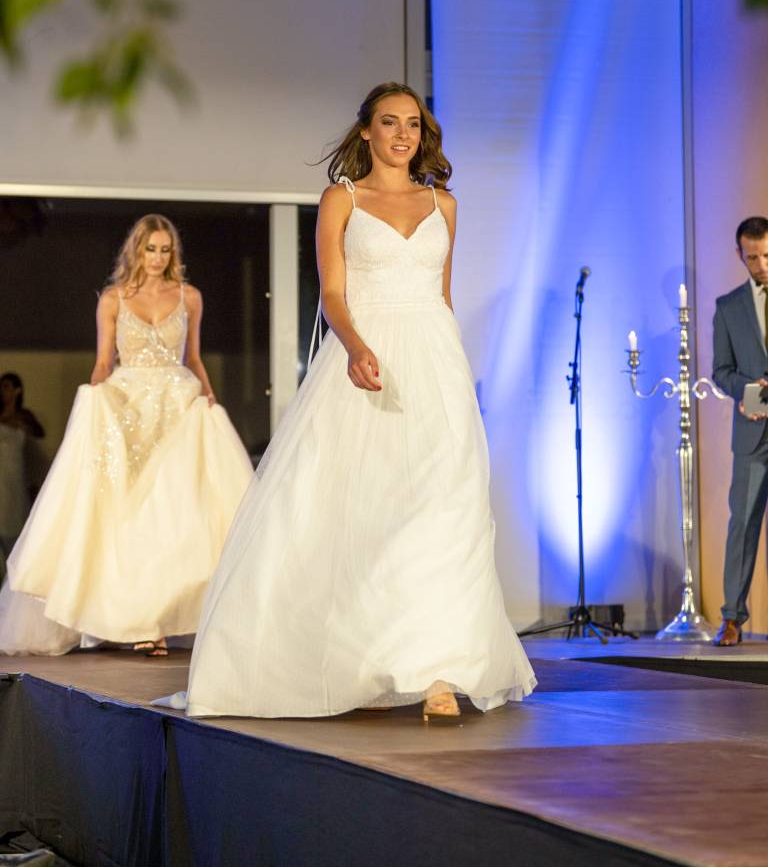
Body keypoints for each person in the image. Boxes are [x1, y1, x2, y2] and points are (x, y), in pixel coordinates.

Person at [164, 82, 536, 719]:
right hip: (365, 357)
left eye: (413, 124)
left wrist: (457, 374)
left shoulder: (444, 204)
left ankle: (439, 672)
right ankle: (360, 661)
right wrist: (358, 346)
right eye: (389, 122)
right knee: (358, 510)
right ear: (366, 130)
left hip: (435, 364)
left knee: (446, 509)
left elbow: (442, 297)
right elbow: (333, 294)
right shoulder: (343, 198)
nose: (402, 134)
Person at [0, 214, 252, 657]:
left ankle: (159, 621)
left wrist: (210, 398)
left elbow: (192, 358)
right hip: (126, 409)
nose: (158, 257)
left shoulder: (190, 297)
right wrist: (92, 401)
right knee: (124, 514)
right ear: (137, 250)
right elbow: (104, 361)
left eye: (165, 249)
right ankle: (135, 618)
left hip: (177, 409)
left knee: (173, 515)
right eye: (151, 248)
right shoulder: (113, 299)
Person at [712, 216, 768, 647]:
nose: (761, 264)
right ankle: (732, 617)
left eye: (766, 255)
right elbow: (721, 372)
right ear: (740, 255)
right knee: (743, 523)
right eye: (753, 257)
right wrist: (748, 390)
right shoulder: (729, 307)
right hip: (753, 433)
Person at [0, 373, 45, 574]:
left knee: (15, 540)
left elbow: (39, 432)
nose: (3, 391)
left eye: (7, 387)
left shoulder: (24, 417)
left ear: (17, 391)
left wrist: (19, 423)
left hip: (15, 481)